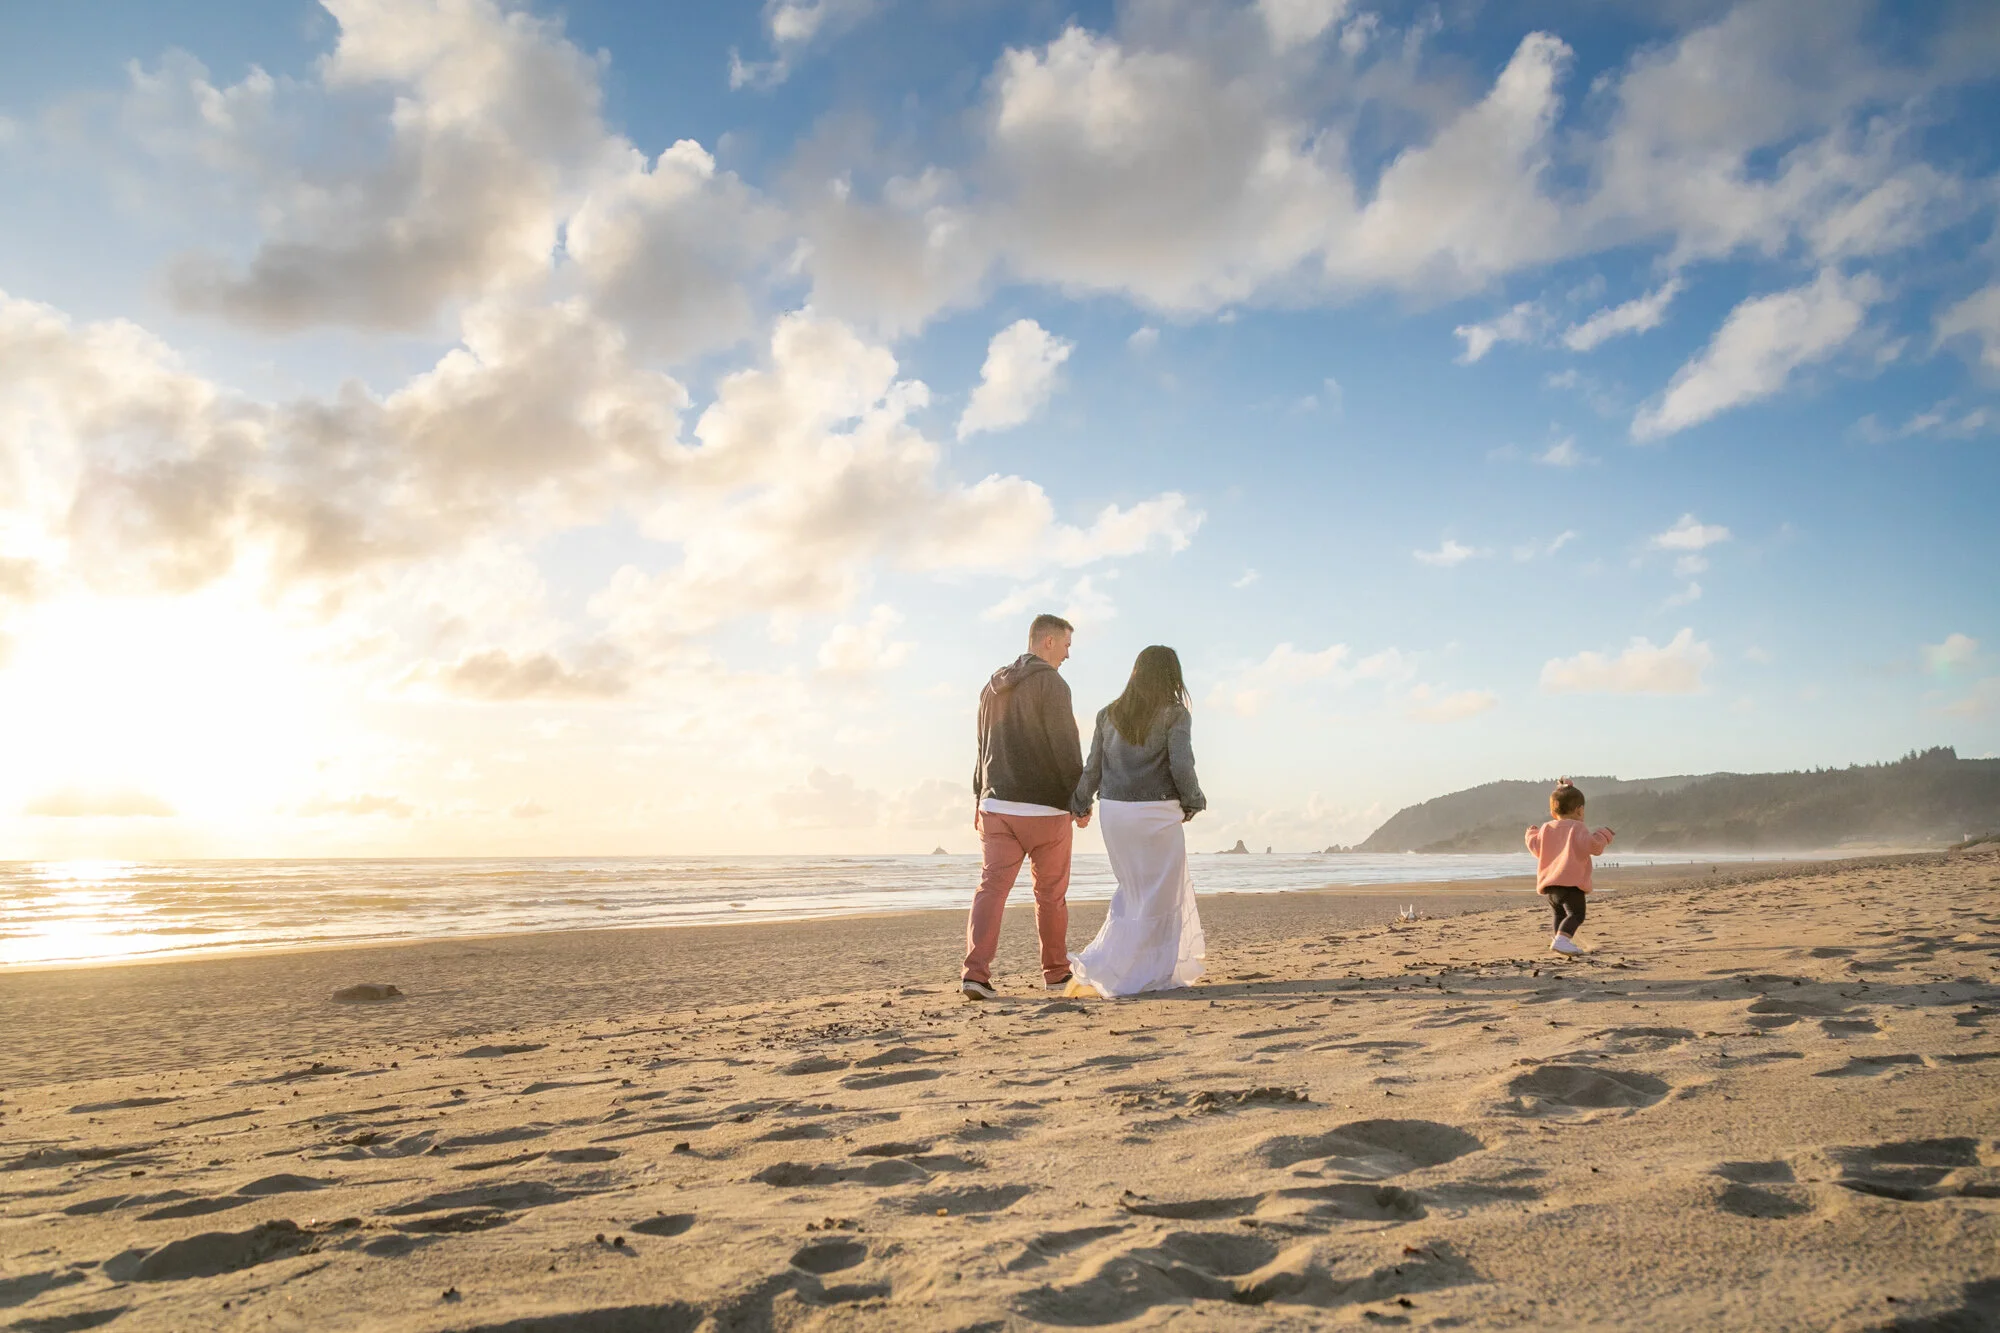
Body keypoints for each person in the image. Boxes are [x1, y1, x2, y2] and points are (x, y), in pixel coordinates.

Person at [1064, 645, 1207, 997]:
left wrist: (1079, 803)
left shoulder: (1107, 714)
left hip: (1115, 814)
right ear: (1172, 676)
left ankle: (1119, 966)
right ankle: (1148, 973)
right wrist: (1192, 801)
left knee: (1133, 891)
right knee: (1160, 896)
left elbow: (1093, 768)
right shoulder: (1175, 715)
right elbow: (1181, 765)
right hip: (1156, 814)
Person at [961, 614, 1088, 1000]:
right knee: (1050, 895)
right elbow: (1066, 745)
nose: (1068, 654)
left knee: (991, 889)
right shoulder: (1053, 684)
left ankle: (975, 975)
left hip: (996, 805)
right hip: (1045, 809)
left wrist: (979, 796)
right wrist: (1080, 799)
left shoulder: (992, 686)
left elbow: (982, 745)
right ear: (1047, 641)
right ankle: (1054, 975)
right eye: (1066, 644)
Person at [1526, 778, 1615, 955]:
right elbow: (1594, 847)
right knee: (1576, 914)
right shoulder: (1577, 828)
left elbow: (1536, 847)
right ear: (1579, 810)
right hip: (1570, 883)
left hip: (1550, 885)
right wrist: (1604, 835)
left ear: (1553, 811)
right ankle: (1561, 940)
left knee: (1559, 914)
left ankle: (1558, 939)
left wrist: (1531, 833)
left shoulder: (1546, 828)